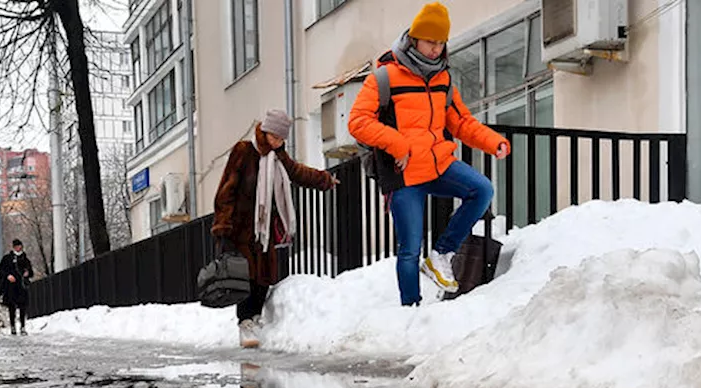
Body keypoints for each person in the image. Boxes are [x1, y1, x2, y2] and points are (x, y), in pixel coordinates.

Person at [348, 2, 511, 306]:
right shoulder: (384, 78)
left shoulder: (444, 79)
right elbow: (357, 122)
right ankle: (411, 308)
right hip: (403, 173)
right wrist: (398, 144)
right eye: (430, 42)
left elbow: (461, 122)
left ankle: (442, 254)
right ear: (414, 39)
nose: (435, 49)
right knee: (409, 247)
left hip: (438, 165)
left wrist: (493, 142)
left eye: (440, 43)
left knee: (481, 189)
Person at [212, 109, 338, 348]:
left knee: (264, 277)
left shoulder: (278, 157)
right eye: (276, 137)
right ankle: (245, 324)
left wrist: (325, 179)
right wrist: (223, 227)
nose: (279, 142)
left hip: (264, 229)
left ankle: (256, 318)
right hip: (239, 228)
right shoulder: (243, 151)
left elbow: (297, 172)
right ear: (267, 132)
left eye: (282, 139)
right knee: (245, 277)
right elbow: (225, 191)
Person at [0, 238, 33, 335]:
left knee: (22, 307)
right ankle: (12, 326)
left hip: (21, 286)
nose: (18, 248)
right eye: (16, 246)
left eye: (19, 246)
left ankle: (23, 327)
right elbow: (0, 270)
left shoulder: (25, 259)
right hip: (10, 286)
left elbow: (31, 272)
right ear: (13, 247)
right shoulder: (7, 258)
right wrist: (8, 276)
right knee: (11, 307)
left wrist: (27, 273)